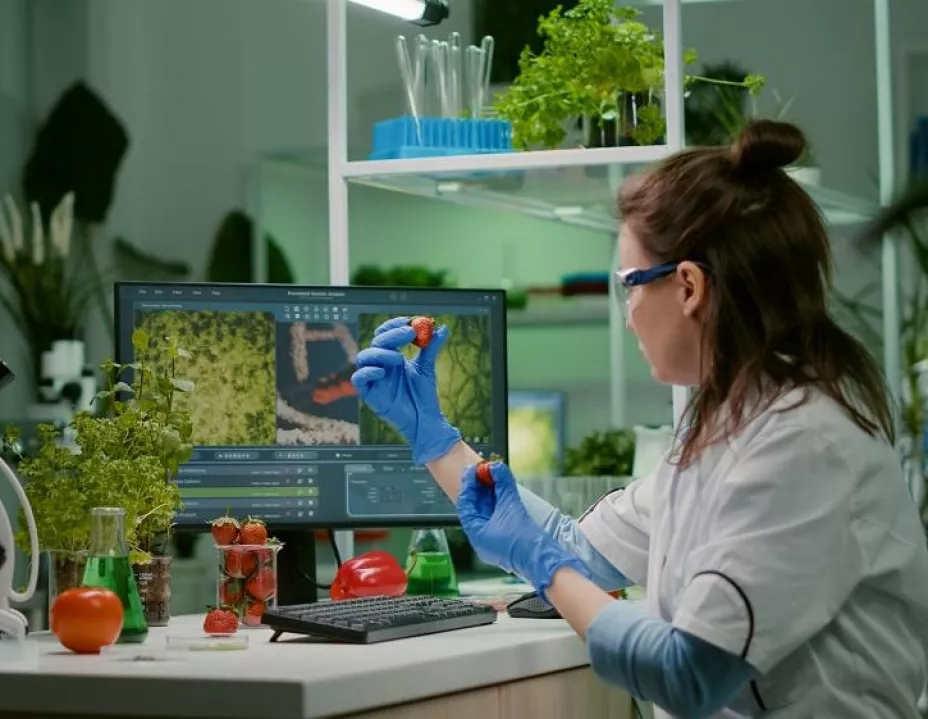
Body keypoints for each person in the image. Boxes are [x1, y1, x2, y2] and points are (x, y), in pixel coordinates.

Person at [353, 120, 928, 718]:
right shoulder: (726, 424)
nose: (627, 316)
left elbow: (686, 673)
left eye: (629, 287)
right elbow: (579, 549)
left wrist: (541, 565)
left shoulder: (804, 445)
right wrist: (435, 439)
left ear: (688, 287)